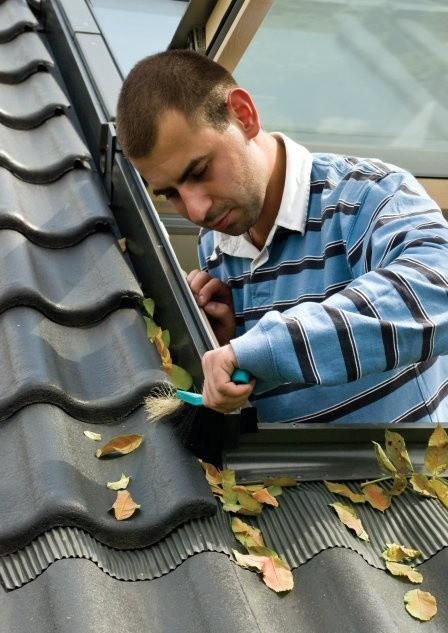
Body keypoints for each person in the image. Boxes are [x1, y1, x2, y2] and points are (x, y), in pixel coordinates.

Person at [116, 49, 448, 424]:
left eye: (199, 171)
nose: (196, 210)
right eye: (171, 193)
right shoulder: (214, 246)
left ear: (243, 116)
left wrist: (267, 347)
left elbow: (439, 287)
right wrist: (222, 345)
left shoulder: (367, 195)